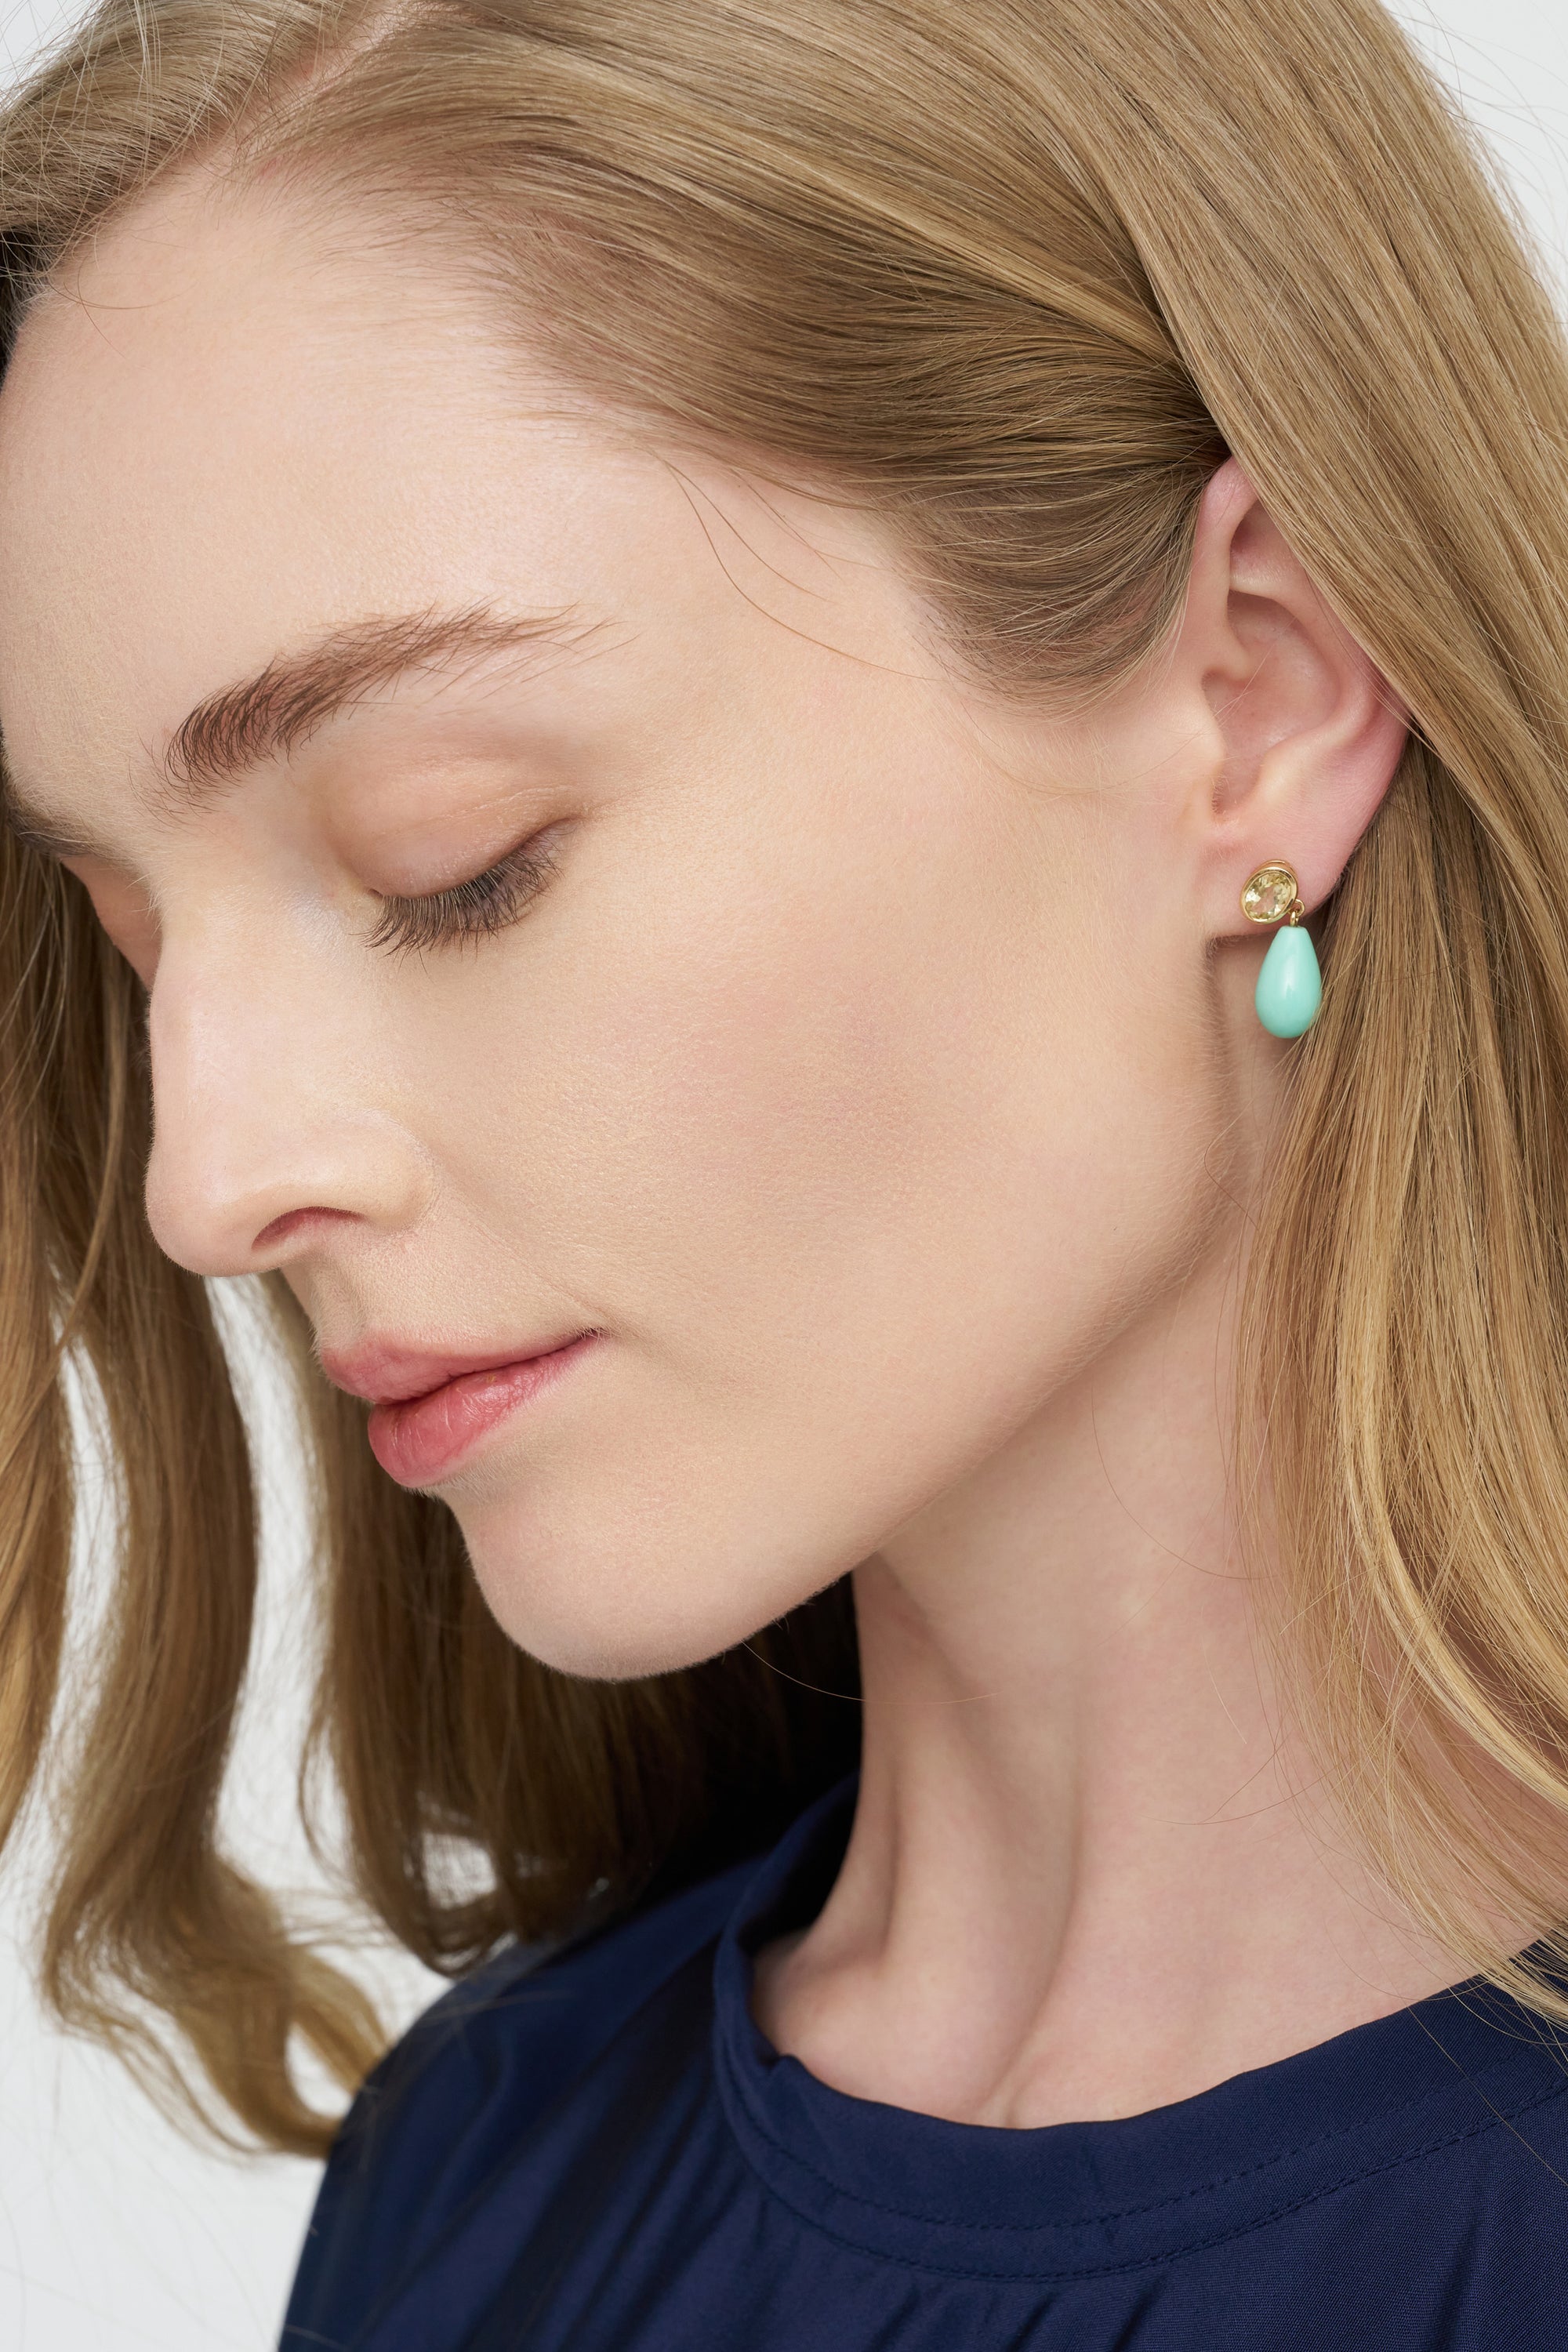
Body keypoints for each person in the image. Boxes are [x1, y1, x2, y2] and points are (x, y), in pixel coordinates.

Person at [3, 0, 1568, 2343]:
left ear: (1256, 695)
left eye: (456, 862)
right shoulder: (479, 2190)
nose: (206, 1186)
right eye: (135, 945)